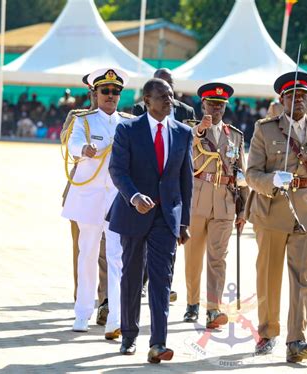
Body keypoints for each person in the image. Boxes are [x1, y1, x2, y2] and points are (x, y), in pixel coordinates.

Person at [245, 71, 307, 363]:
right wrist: (272, 180)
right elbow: (251, 174)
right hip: (272, 210)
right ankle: (268, 332)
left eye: (304, 96)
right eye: (293, 96)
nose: (299, 101)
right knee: (269, 275)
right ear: (281, 100)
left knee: (302, 278)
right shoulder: (265, 129)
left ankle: (297, 339)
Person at [108, 78, 193, 363]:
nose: (169, 101)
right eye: (162, 97)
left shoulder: (182, 133)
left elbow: (186, 181)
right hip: (134, 213)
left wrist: (184, 223)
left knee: (161, 280)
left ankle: (158, 343)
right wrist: (133, 197)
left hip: (166, 219)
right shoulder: (127, 129)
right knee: (132, 277)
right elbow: (117, 170)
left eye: (171, 96)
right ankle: (129, 336)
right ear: (147, 100)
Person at [62, 68, 133, 338]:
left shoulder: (127, 123)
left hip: (117, 199)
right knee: (87, 254)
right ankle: (82, 313)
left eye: (116, 92)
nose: (111, 96)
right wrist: (84, 149)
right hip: (90, 197)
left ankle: (115, 317)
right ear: (95, 93)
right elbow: (73, 143)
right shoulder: (84, 121)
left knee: (116, 258)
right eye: (105, 91)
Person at [182, 83, 249, 328]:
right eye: (211, 104)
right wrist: (200, 130)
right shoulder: (191, 130)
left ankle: (213, 308)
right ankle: (191, 302)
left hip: (225, 202)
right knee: (193, 256)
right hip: (197, 200)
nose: (216, 109)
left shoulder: (236, 136)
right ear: (203, 105)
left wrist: (244, 209)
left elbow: (241, 174)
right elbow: (185, 151)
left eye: (220, 105)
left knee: (217, 258)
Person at [133, 68, 195, 303]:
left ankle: (165, 284)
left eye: (170, 85)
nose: (168, 93)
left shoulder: (186, 111)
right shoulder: (140, 110)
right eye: (162, 86)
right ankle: (142, 282)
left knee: (171, 241)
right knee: (146, 246)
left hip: (172, 189)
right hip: (146, 190)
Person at [60, 74, 109, 326]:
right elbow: (68, 143)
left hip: (108, 191)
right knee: (83, 248)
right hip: (81, 189)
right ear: (91, 93)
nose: (99, 96)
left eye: (111, 91)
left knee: (106, 252)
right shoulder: (77, 118)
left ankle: (105, 302)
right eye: (98, 91)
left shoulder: (117, 120)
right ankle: (83, 299)